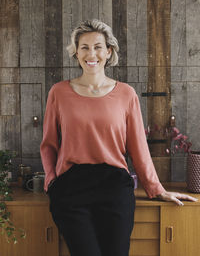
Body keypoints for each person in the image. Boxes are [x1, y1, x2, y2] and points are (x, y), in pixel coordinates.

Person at [40, 19, 197, 256]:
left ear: (108, 51)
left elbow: (138, 147)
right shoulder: (59, 93)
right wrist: (51, 181)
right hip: (71, 188)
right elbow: (49, 144)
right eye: (84, 47)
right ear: (76, 52)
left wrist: (157, 189)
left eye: (98, 46)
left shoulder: (126, 94)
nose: (91, 53)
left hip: (114, 186)